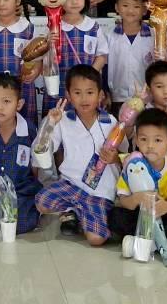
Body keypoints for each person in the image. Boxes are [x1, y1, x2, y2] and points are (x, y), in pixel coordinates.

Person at [33, 65, 118, 246]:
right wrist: (50, 124)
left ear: (100, 95)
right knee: (42, 202)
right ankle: (74, 210)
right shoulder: (63, 119)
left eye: (90, 92)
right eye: (77, 93)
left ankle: (80, 214)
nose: (84, 99)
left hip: (99, 192)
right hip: (71, 185)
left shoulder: (111, 122)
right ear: (69, 95)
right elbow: (43, 150)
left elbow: (124, 155)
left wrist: (115, 158)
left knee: (96, 239)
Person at [111, 108, 167, 257]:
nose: (150, 145)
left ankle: (146, 244)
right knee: (115, 216)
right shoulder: (132, 164)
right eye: (144, 139)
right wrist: (137, 198)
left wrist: (166, 206)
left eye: (157, 140)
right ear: (136, 140)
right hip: (141, 216)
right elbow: (124, 201)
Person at [0, 73, 41, 235]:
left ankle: (30, 208)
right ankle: (0, 209)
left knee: (22, 224)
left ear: (18, 104)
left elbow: (35, 164)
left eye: (6, 101)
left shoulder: (29, 129)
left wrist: (33, 189)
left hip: (21, 190)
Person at [41, 0, 109, 115]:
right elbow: (44, 56)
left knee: (84, 119)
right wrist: (48, 42)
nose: (74, 1)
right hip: (59, 87)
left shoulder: (93, 26)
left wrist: (88, 76)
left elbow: (102, 55)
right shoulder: (53, 26)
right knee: (57, 121)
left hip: (86, 88)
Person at [106, 0, 154, 113]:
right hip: (117, 97)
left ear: (145, 9)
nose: (130, 10)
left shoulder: (154, 36)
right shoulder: (109, 35)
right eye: (125, 5)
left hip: (147, 98)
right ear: (117, 7)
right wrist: (105, 91)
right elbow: (104, 66)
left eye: (136, 6)